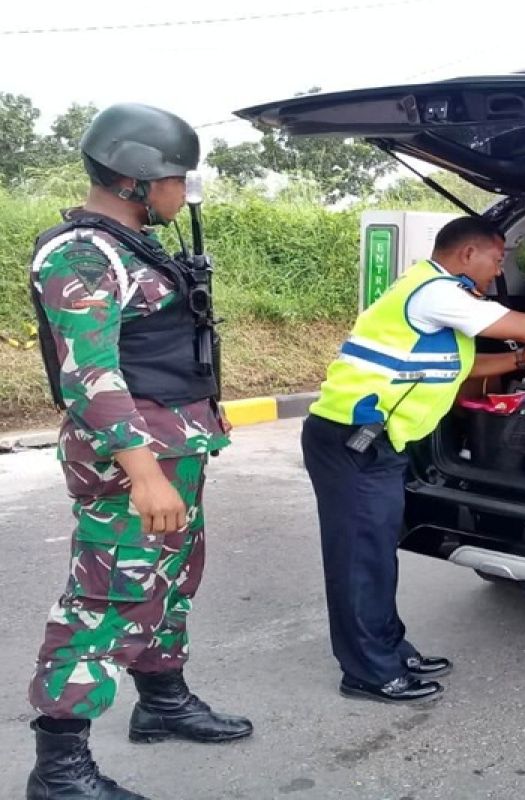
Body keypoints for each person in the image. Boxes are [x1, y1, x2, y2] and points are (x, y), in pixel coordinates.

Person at [301, 216, 525, 705]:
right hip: (351, 441)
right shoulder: (435, 292)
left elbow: (461, 366)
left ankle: (389, 647)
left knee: (376, 552)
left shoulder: (433, 294)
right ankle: (367, 671)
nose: (499, 270)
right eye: (497, 258)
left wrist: (524, 362)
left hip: (378, 443)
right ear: (468, 254)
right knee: (359, 559)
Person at [25, 104, 251, 800]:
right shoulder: (82, 256)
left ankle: (162, 701)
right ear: (137, 179)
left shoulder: (133, 248)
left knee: (169, 584)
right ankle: (59, 768)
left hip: (172, 451)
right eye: (178, 177)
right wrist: (145, 471)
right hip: (134, 463)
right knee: (105, 599)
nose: (185, 191)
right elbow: (89, 374)